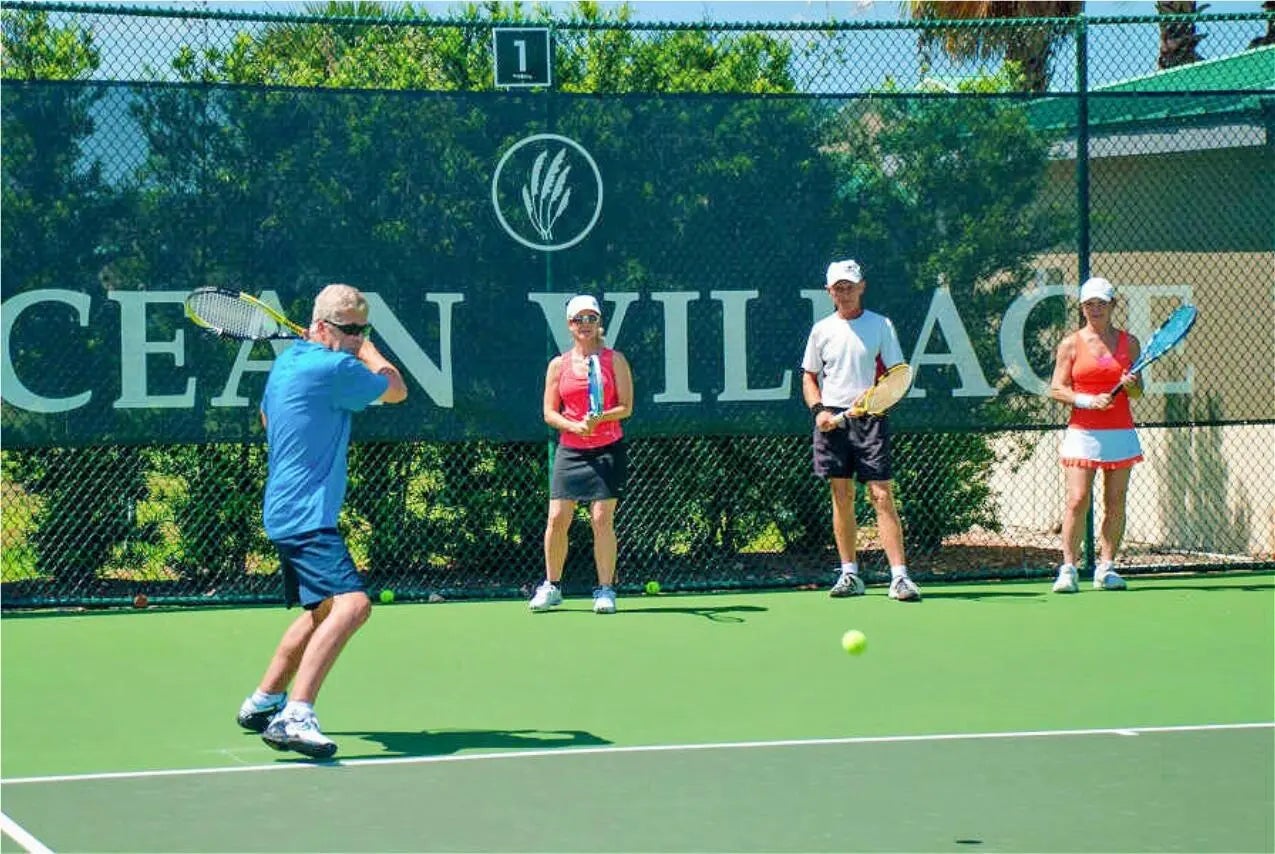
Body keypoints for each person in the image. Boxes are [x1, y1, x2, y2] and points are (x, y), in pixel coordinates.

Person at [235, 283, 407, 758]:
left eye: (363, 329)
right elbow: (396, 390)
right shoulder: (336, 367)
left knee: (323, 611)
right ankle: (295, 714)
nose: (357, 337)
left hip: (285, 509)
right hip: (307, 515)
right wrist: (369, 352)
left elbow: (268, 419)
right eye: (350, 329)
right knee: (353, 607)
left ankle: (262, 701)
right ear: (321, 326)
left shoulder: (288, 362)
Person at [801, 259, 921, 602]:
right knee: (842, 496)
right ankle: (849, 574)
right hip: (832, 421)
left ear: (862, 287)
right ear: (829, 292)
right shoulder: (821, 330)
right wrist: (819, 411)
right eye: (838, 288)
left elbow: (897, 375)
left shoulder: (880, 325)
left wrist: (872, 400)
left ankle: (900, 578)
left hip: (871, 419)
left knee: (881, 494)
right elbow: (809, 376)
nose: (845, 293)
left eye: (850, 287)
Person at [529, 294, 634, 614]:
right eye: (578, 319)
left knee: (601, 519)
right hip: (571, 450)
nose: (585, 324)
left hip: (607, 449)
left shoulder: (615, 360)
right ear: (569, 325)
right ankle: (552, 586)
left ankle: (605, 590)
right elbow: (549, 412)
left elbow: (626, 407)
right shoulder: (558, 365)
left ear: (599, 322)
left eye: (591, 318)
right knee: (557, 518)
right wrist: (575, 426)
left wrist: (599, 419)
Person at [1048, 276, 1143, 593]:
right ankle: (1068, 570)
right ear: (1082, 308)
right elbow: (1057, 389)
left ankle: (1107, 568)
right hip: (1083, 432)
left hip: (1120, 432)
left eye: (1101, 303)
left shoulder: (1130, 343)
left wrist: (1132, 385)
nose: (1095, 309)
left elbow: (1139, 392)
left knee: (1115, 502)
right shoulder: (1070, 344)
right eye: (1089, 304)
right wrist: (1088, 401)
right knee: (1077, 500)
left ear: (1113, 305)